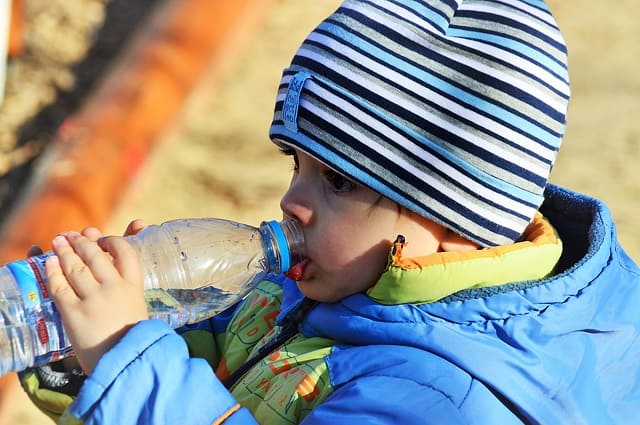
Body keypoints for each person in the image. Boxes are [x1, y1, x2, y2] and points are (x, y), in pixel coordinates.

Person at [19, 0, 640, 423]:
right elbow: (228, 374)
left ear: (453, 222)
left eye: (337, 181)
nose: (292, 202)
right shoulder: (329, 285)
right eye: (297, 165)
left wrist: (129, 353)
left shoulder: (440, 396)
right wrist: (93, 350)